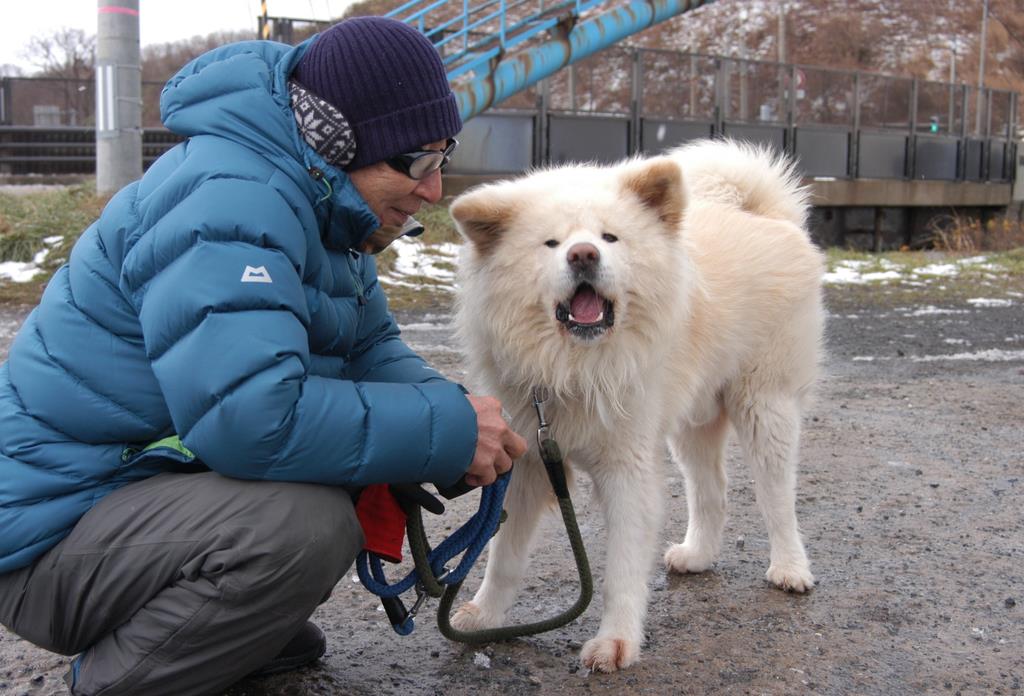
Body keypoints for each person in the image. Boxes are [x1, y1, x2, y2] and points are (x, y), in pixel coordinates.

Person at [0, 16, 527, 696]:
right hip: (48, 545)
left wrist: (456, 417)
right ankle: (119, 679)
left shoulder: (322, 208)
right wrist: (441, 432)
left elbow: (369, 351)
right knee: (301, 527)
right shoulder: (227, 200)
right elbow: (253, 421)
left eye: (442, 158)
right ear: (341, 142)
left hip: (120, 507)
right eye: (417, 161)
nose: (434, 189)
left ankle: (227, 627)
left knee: (355, 449)